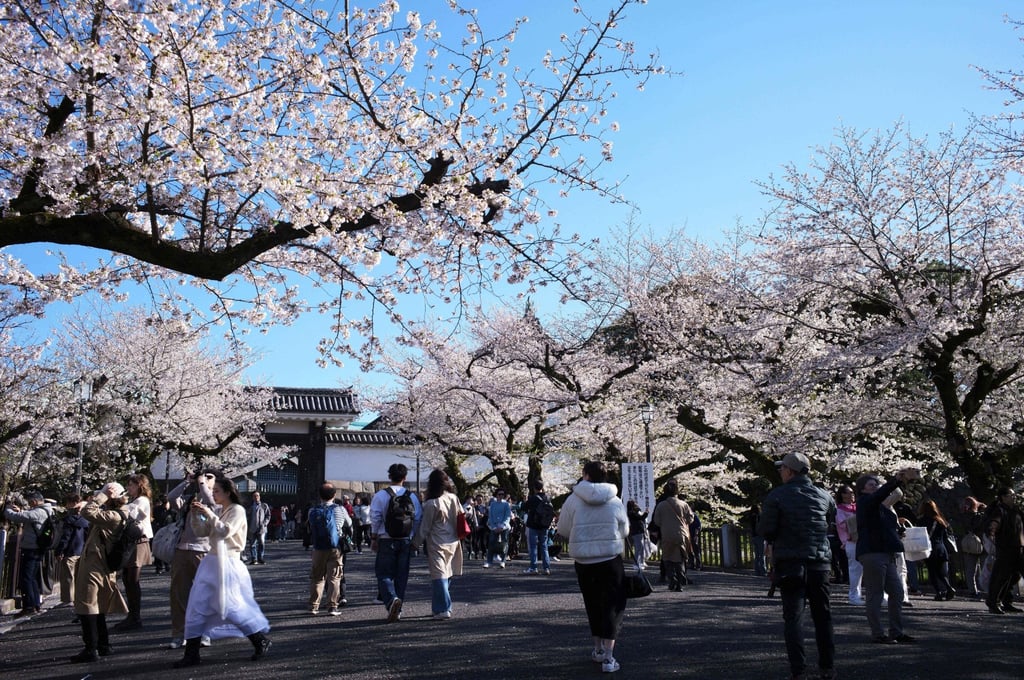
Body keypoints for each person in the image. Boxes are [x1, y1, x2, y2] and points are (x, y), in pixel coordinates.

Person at [173, 476, 271, 667]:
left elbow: (225, 531)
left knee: (232, 606)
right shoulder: (221, 510)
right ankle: (191, 654)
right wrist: (194, 515)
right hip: (211, 562)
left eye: (217, 491)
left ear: (228, 492)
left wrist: (209, 513)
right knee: (197, 605)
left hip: (228, 563)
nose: (213, 494)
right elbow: (203, 532)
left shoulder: (237, 510)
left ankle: (259, 640)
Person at [756, 452, 836, 680]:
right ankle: (827, 666)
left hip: (790, 563)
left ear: (790, 471)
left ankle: (798, 669)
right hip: (819, 562)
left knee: (793, 617)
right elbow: (829, 519)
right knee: (823, 615)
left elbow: (766, 530)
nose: (780, 472)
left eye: (782, 469)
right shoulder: (824, 495)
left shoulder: (777, 496)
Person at [557, 461, 628, 674]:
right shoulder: (615, 500)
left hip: (585, 562)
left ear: (585, 475)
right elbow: (624, 529)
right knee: (612, 606)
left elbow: (563, 529)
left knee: (593, 603)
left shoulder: (572, 500)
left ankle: (597, 649)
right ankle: (609, 657)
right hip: (610, 559)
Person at [855, 467, 920, 644]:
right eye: (871, 484)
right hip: (872, 552)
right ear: (862, 489)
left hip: (887, 551)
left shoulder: (882, 507)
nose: (875, 487)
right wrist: (896, 480)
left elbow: (887, 504)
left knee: (897, 592)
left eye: (877, 484)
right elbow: (879, 495)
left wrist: (897, 533)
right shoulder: (864, 502)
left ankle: (896, 631)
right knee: (875, 594)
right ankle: (878, 633)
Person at [71, 483, 130, 663]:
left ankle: (91, 648)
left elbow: (87, 512)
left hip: (96, 565)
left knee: (87, 605)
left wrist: (101, 496)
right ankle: (103, 645)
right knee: (98, 607)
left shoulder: (114, 516)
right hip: (101, 565)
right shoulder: (117, 514)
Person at [166, 469, 218, 649]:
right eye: (204, 477)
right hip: (182, 550)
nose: (204, 479)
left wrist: (203, 482)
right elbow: (171, 498)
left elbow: (211, 501)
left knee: (204, 594)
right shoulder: (191, 500)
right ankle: (179, 633)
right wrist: (187, 481)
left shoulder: (216, 501)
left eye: (210, 477)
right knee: (179, 594)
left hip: (203, 551)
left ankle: (205, 632)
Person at [369, 463, 422, 623]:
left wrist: (373, 538)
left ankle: (392, 600)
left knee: (383, 573)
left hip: (386, 539)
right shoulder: (412, 497)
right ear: (405, 478)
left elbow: (375, 517)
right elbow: (418, 518)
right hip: (405, 540)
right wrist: (413, 536)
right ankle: (398, 608)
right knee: (401, 575)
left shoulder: (380, 495)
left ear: (389, 476)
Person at [413, 469, 465, 619]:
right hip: (453, 541)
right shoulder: (453, 498)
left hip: (437, 542)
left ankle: (443, 608)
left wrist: (415, 543)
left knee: (438, 575)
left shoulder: (431, 503)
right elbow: (462, 515)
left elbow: (425, 527)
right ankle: (438, 608)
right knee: (447, 573)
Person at [3, 489, 54, 617]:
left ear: (35, 501)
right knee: (32, 578)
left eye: (31, 503)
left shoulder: (39, 512)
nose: (30, 505)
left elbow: (18, 517)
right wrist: (20, 510)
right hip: (37, 548)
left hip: (32, 548)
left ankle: (29, 606)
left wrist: (7, 509)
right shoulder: (47, 510)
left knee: (26, 577)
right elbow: (27, 515)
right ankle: (35, 603)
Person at [113, 473, 154, 631]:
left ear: (139, 485)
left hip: (139, 542)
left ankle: (135, 617)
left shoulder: (142, 500)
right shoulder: (135, 500)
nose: (129, 488)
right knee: (128, 579)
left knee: (133, 579)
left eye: (131, 485)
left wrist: (120, 503)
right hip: (133, 542)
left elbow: (131, 514)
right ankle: (132, 615)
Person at [308, 482, 353, 616]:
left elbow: (310, 526)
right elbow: (349, 524)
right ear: (334, 495)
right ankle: (332, 606)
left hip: (318, 547)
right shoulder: (340, 509)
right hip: (335, 546)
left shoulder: (313, 510)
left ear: (320, 495)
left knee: (317, 577)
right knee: (334, 578)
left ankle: (313, 606)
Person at [983, 487, 1024, 615]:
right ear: (1003, 497)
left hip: (1019, 548)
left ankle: (1007, 601)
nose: (1014, 497)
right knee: (1001, 576)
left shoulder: (1015, 510)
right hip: (1006, 548)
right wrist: (991, 532)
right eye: (1011, 495)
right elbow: (994, 523)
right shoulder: (1000, 510)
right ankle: (993, 602)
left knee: (1014, 576)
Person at [651, 479, 694, 592]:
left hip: (667, 534)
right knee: (680, 559)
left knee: (668, 559)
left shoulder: (661, 505)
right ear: (677, 492)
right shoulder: (684, 504)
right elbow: (690, 519)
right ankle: (680, 580)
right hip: (681, 534)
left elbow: (656, 521)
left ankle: (672, 580)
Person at [54, 493, 90, 609]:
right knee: (79, 576)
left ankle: (68, 598)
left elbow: (65, 537)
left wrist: (60, 551)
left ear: (72, 503)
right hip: (81, 551)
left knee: (68, 576)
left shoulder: (68, 520)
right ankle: (79, 596)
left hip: (70, 551)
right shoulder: (85, 521)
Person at [917, 499, 955, 601]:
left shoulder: (921, 520)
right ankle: (948, 587)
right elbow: (946, 535)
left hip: (930, 548)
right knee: (941, 572)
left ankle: (939, 592)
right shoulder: (940, 520)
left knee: (932, 572)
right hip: (941, 548)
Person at [834, 485, 864, 605]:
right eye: (849, 492)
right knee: (855, 569)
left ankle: (864, 595)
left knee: (867, 569)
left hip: (863, 540)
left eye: (853, 492)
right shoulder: (840, 509)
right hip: (851, 541)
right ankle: (854, 596)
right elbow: (842, 525)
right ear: (842, 495)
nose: (852, 495)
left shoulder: (857, 507)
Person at [522, 481, 555, 575]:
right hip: (544, 526)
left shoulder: (533, 498)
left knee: (533, 547)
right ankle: (546, 568)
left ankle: (533, 567)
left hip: (533, 525)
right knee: (544, 547)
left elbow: (524, 507)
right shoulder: (547, 498)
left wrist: (525, 501)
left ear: (534, 488)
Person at [959, 496, 987, 599]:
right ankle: (985, 589)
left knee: (970, 569)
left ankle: (972, 590)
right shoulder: (981, 516)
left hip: (969, 545)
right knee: (984, 568)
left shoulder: (963, 515)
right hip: (982, 544)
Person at [483, 488, 512, 569]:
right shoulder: (493, 504)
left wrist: (502, 526)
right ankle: (489, 561)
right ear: (496, 495)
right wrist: (494, 527)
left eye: (503, 494)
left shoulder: (506, 504)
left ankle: (503, 561)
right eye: (499, 494)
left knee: (504, 543)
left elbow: (507, 516)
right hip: (494, 526)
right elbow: (491, 516)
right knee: (491, 543)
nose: (501, 496)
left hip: (504, 527)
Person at [248, 491, 270, 565]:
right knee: (252, 544)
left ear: (259, 497)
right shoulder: (250, 506)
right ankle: (254, 559)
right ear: (252, 497)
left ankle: (261, 558)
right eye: (254, 496)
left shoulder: (264, 506)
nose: (256, 497)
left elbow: (268, 515)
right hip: (252, 527)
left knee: (261, 543)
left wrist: (265, 523)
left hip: (262, 528)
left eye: (257, 495)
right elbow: (247, 516)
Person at [625, 500, 648, 566]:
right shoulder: (631, 513)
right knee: (638, 547)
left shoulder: (635, 511)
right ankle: (636, 562)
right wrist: (646, 513)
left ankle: (642, 561)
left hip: (640, 531)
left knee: (642, 547)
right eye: (635, 504)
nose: (636, 504)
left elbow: (641, 517)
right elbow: (640, 518)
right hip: (636, 531)